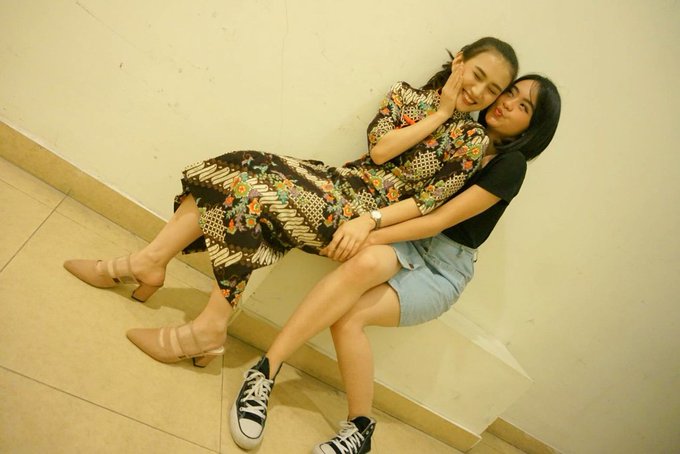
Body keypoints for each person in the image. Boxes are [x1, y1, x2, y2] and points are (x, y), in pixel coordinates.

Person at [63, 37, 518, 368]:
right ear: (459, 61)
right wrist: (439, 112)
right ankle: (152, 266)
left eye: (492, 89)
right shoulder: (406, 95)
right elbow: (381, 151)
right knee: (236, 166)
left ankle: (200, 319)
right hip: (339, 182)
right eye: (477, 75)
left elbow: (426, 203)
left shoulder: (472, 140)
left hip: (356, 215)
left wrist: (371, 221)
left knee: (249, 195)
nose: (479, 92)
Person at [228, 75, 562, 452]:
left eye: (523, 106)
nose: (507, 103)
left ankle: (360, 428)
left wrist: (369, 230)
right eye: (511, 92)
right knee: (364, 265)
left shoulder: (512, 164)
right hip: (408, 238)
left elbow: (437, 220)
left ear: (533, 128)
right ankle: (265, 371)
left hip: (442, 266)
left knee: (349, 318)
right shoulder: (463, 132)